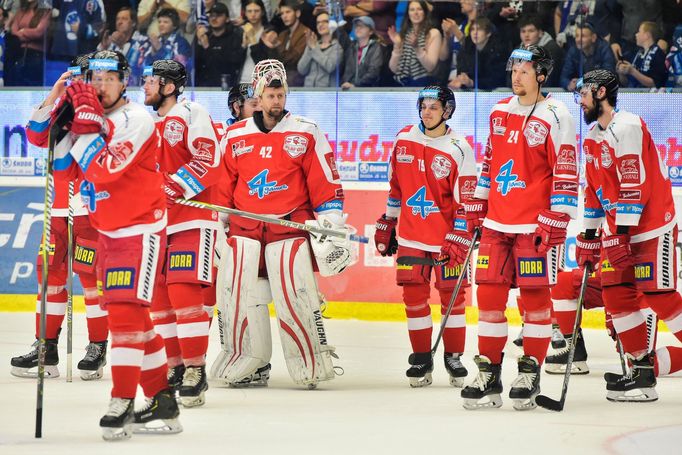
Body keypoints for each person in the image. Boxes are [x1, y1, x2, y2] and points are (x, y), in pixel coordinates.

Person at [49, 50, 181, 441]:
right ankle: (162, 399)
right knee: (136, 319)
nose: (102, 85)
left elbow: (106, 170)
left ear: (125, 81)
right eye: (95, 78)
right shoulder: (91, 119)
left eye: (110, 77)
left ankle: (121, 401)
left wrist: (85, 131)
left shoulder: (136, 119)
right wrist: (58, 125)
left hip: (140, 229)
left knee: (124, 314)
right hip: (107, 229)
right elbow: (60, 164)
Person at [214, 59, 352, 389]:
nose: (276, 101)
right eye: (270, 94)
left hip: (290, 227)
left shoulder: (305, 131)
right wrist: (217, 227)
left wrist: (330, 222)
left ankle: (310, 359)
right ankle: (245, 358)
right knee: (237, 293)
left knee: (296, 293)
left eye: (280, 94)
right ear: (257, 97)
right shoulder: (234, 136)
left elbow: (326, 181)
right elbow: (221, 188)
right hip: (245, 229)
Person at [461, 45, 578, 411]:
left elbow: (567, 168)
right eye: (514, 69)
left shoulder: (557, 114)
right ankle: (489, 373)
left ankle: (530, 371)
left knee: (536, 302)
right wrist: (478, 203)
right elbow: (490, 162)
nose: (516, 76)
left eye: (525, 70)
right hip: (497, 222)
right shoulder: (499, 111)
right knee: (491, 300)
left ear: (541, 75)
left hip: (534, 225)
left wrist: (558, 216)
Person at [575, 68, 682, 402]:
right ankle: (640, 372)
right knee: (616, 294)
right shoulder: (592, 137)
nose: (580, 100)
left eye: (584, 93)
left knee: (658, 294)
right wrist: (589, 236)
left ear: (601, 93)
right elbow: (592, 192)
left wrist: (619, 233)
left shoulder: (629, 126)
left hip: (651, 228)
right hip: (619, 233)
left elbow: (633, 186)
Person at [11, 55, 108, 381]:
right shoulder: (63, 107)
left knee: (90, 278)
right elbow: (35, 136)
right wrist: (55, 95)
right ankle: (46, 346)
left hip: (92, 212)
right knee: (49, 274)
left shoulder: (111, 111)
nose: (88, 83)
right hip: (58, 209)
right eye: (81, 77)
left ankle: (97, 345)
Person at [373, 85, 476, 388]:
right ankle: (421, 357)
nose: (427, 112)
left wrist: (459, 235)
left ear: (447, 110)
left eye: (434, 107)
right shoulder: (403, 139)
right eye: (423, 106)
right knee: (414, 298)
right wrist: (389, 221)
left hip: (448, 240)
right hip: (411, 236)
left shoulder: (459, 148)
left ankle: (453, 356)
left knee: (453, 299)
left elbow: (466, 200)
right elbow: (396, 188)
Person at [142, 59, 223, 407]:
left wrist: (174, 186)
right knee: (160, 297)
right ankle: (174, 367)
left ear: (170, 86)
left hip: (193, 217)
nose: (145, 86)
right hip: (155, 222)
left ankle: (195, 369)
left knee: (183, 291)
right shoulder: (143, 122)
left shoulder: (192, 113)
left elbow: (208, 158)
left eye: (152, 81)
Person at [388, 0, 441, 87]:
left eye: (419, 9)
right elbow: (393, 69)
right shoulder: (403, 34)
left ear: (425, 12)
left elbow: (430, 67)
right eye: (412, 10)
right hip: (402, 83)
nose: (415, 13)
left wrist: (417, 47)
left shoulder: (433, 33)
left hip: (425, 84)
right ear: (408, 14)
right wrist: (397, 46)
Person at [449, 17, 509, 91]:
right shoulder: (466, 49)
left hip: (495, 90)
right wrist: (462, 80)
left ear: (488, 33)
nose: (475, 33)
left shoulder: (499, 51)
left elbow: (497, 80)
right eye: (472, 29)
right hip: (472, 90)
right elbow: (462, 73)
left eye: (479, 29)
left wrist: (472, 82)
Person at [195, 2, 245, 87]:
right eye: (211, 15)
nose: (214, 18)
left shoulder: (234, 37)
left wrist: (207, 48)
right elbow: (195, 64)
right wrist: (199, 44)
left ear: (227, 19)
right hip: (204, 87)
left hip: (227, 87)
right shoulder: (204, 36)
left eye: (219, 15)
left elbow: (230, 64)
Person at [98, 6, 149, 86]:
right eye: (117, 19)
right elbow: (97, 68)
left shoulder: (143, 42)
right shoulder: (110, 42)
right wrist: (104, 48)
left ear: (133, 23)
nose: (119, 22)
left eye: (124, 19)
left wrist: (122, 47)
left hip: (136, 89)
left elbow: (137, 70)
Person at [560, 22, 615, 91]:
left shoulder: (604, 49)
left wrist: (583, 82)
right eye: (576, 36)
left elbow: (609, 74)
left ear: (593, 38)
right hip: (581, 93)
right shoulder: (573, 51)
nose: (578, 40)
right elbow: (564, 77)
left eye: (583, 36)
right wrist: (569, 84)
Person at [616, 21, 668, 88]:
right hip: (633, 94)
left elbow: (656, 83)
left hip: (650, 96)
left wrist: (633, 71)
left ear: (647, 35)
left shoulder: (658, 54)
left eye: (639, 31)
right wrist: (621, 73)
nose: (636, 34)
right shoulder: (638, 53)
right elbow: (626, 83)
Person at [297, 11, 343, 87]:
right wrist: (310, 49)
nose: (320, 25)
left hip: (326, 94)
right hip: (308, 91)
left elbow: (330, 66)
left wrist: (314, 49)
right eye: (318, 22)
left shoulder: (337, 47)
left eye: (325, 22)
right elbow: (301, 69)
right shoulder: (312, 44)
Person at [518, 15, 564, 87]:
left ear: (540, 33)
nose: (526, 35)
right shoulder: (518, 50)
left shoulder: (552, 49)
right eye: (523, 31)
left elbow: (549, 80)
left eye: (531, 31)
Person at [340, 16, 383, 90]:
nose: (358, 28)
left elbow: (373, 72)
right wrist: (345, 83)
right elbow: (344, 69)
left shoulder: (376, 48)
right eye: (356, 26)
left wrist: (356, 85)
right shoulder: (350, 47)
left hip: (367, 92)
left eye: (362, 26)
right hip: (348, 89)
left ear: (371, 31)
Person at [239, 0, 268, 84]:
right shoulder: (239, 32)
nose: (253, 14)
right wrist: (243, 46)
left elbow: (264, 64)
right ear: (245, 13)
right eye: (249, 11)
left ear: (262, 12)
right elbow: (233, 61)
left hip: (261, 83)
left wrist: (253, 41)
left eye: (256, 11)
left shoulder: (268, 32)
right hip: (241, 81)